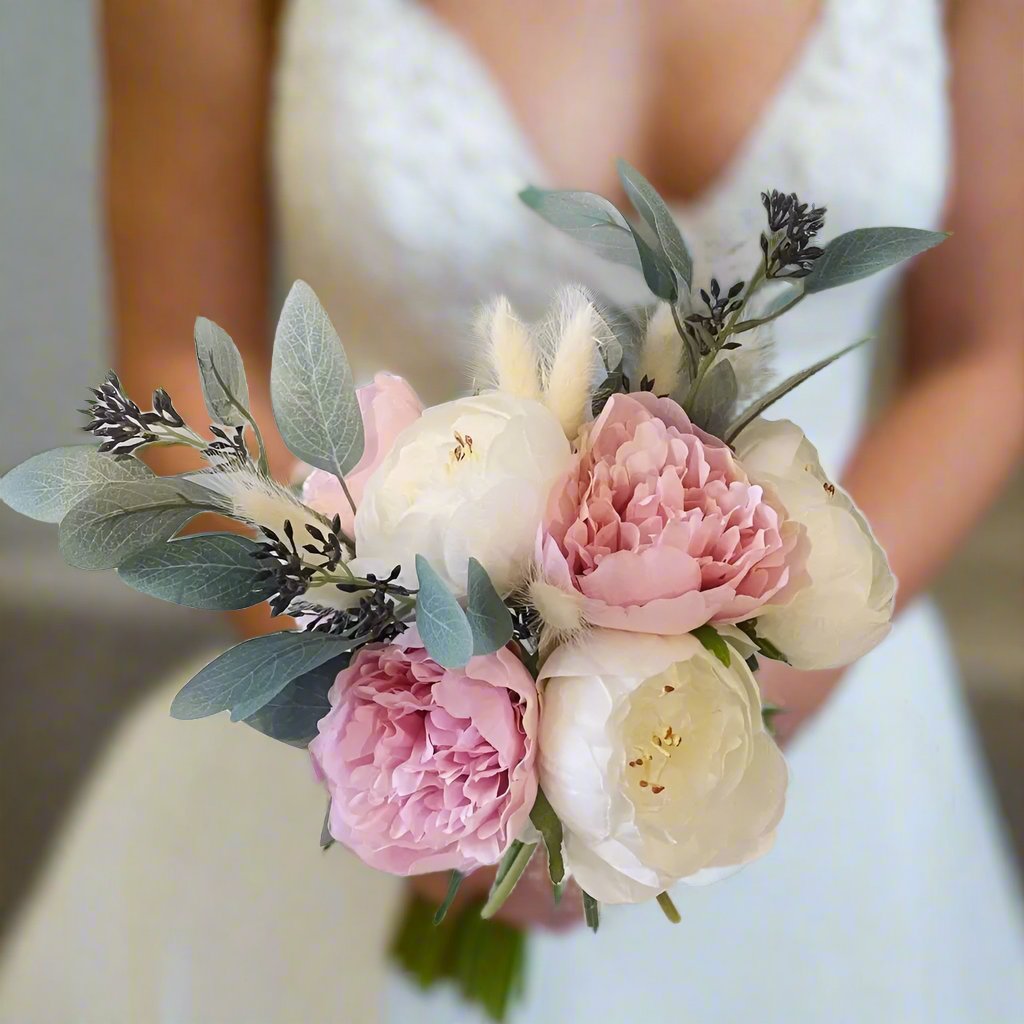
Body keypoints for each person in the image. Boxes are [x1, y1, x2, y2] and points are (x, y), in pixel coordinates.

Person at [2, 0, 1023, 1020]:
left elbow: (987, 355)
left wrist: (737, 711)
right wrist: (406, 742)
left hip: (821, 739)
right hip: (389, 719)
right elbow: (178, 358)